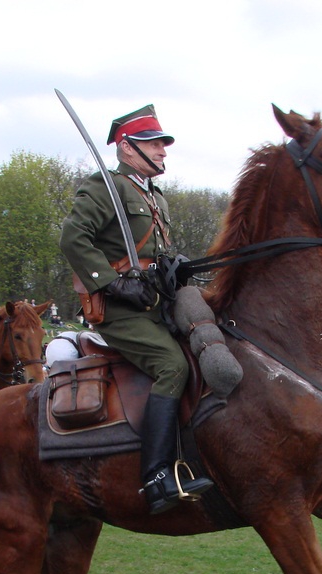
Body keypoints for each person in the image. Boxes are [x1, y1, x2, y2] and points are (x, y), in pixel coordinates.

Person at [59, 104, 212, 514]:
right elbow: (74, 239)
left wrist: (175, 268)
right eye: (154, 144)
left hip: (154, 302)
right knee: (171, 366)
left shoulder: (155, 196)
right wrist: (114, 283)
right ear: (127, 148)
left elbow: (154, 253)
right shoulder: (105, 187)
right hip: (119, 309)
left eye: (163, 145)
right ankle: (157, 475)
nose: (163, 151)